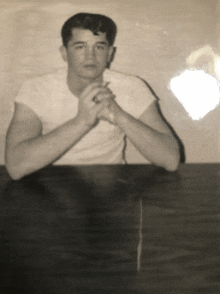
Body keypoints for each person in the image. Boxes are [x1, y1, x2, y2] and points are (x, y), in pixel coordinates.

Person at [5, 12, 180, 180]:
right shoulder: (36, 89)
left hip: (110, 186)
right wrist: (81, 122)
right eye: (80, 47)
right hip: (53, 189)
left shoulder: (131, 86)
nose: (91, 55)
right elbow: (15, 167)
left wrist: (119, 116)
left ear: (110, 53)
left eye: (99, 46)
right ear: (64, 53)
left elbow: (171, 160)